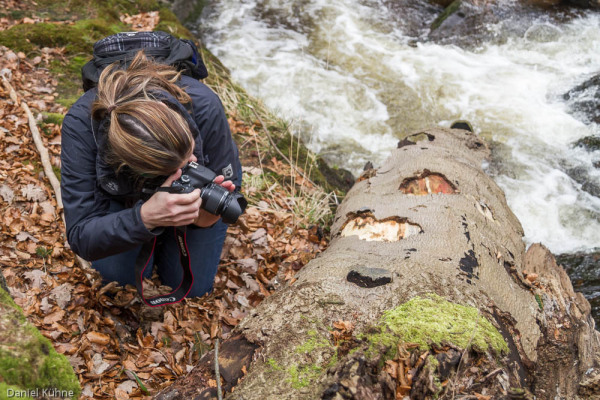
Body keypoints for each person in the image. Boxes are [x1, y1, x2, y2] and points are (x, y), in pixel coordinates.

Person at [60, 50, 242, 298]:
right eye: (174, 170)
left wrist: (203, 218)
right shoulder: (81, 125)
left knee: (193, 289)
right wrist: (145, 216)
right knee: (119, 281)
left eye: (190, 156)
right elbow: (81, 235)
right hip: (124, 198)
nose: (191, 164)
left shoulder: (203, 104)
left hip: (182, 201)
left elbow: (229, 185)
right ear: (129, 166)